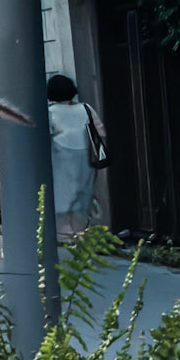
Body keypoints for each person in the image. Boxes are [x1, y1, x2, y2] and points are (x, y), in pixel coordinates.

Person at [47, 74, 105, 239]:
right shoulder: (86, 108)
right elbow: (101, 134)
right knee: (82, 198)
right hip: (86, 162)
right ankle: (80, 233)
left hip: (60, 163)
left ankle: (66, 234)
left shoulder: (50, 112)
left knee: (62, 199)